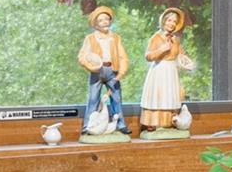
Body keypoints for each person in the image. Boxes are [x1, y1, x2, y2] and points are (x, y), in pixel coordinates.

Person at [139, 7, 197, 132]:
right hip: (160, 69)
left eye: (174, 22)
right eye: (169, 20)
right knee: (158, 96)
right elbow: (148, 56)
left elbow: (180, 54)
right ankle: (153, 122)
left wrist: (187, 62)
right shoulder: (156, 38)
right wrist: (162, 49)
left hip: (171, 71)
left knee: (170, 95)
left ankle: (168, 122)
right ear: (164, 21)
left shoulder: (175, 40)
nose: (171, 24)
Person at [77, 7, 129, 135]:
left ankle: (120, 124)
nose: (104, 22)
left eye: (107, 19)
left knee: (116, 98)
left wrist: (121, 72)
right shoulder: (90, 38)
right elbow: (82, 57)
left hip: (112, 70)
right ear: (95, 24)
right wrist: (91, 66)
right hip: (97, 71)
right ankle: (88, 125)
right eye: (101, 20)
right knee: (93, 98)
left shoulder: (115, 38)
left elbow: (123, 56)